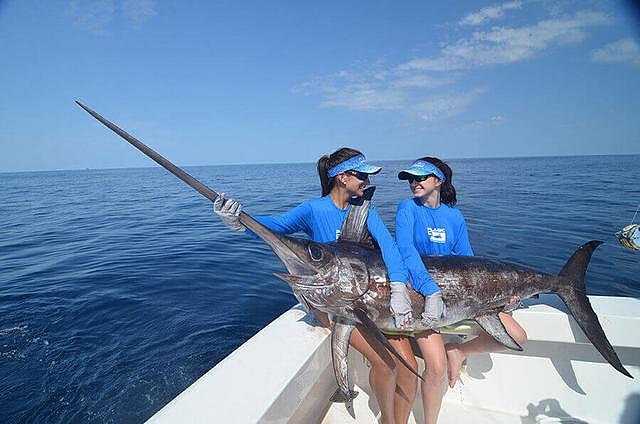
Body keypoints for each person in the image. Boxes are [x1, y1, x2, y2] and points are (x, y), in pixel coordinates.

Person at [213, 147, 412, 424]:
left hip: (364, 298)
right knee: (387, 364)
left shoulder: (365, 208)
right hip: (331, 304)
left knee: (409, 365)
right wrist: (238, 221)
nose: (366, 182)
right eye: (361, 176)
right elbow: (275, 227)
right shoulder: (313, 209)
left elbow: (390, 249)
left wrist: (400, 288)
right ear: (342, 177)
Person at [393, 157, 527, 424]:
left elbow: (470, 263)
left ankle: (460, 351)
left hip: (459, 299)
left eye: (420, 178)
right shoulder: (407, 208)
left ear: (438, 181)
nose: (414, 183)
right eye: (411, 179)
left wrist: (502, 296)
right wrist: (430, 290)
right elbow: (406, 253)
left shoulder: (454, 216)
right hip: (421, 300)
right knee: (437, 366)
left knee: (517, 336)